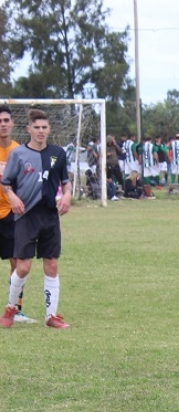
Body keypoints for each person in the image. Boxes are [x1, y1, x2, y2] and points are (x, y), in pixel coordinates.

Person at [1, 108, 71, 329]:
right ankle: (11, 307)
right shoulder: (18, 154)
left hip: (49, 216)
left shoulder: (58, 153)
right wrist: (12, 197)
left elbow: (65, 181)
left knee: (52, 264)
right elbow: (5, 182)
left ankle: (51, 316)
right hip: (26, 215)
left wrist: (67, 195)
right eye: (37, 127)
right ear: (28, 129)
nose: (41, 131)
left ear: (49, 130)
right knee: (23, 267)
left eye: (44, 127)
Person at [0, 103, 36, 323]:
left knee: (17, 262)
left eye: (6, 120)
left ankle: (15, 309)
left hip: (11, 215)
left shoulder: (20, 152)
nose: (3, 125)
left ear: (13, 123)